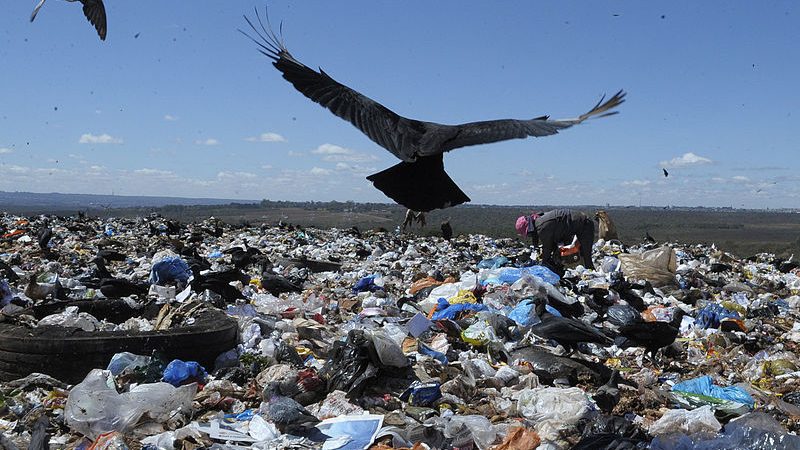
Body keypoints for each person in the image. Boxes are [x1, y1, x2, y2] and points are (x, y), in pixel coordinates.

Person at [516, 209, 595, 275]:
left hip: (584, 224)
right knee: (564, 254)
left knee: (585, 254)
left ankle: (593, 276)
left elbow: (548, 247)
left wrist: (543, 264)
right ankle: (583, 272)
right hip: (573, 226)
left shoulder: (542, 227)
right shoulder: (539, 221)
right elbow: (553, 243)